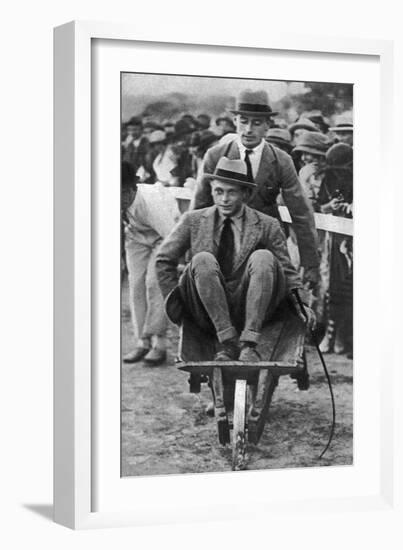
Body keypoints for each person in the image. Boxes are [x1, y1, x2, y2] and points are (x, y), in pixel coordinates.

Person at [156, 157, 314, 363]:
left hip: (252, 306)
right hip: (206, 307)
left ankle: (249, 344)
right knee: (202, 259)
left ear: (246, 194)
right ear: (211, 190)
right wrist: (175, 302)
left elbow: (287, 270)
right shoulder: (193, 221)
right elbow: (163, 260)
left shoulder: (267, 224)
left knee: (263, 257)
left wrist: (302, 305)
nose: (224, 199)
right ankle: (227, 342)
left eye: (232, 192)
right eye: (218, 191)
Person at [192, 89, 320, 288]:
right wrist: (193, 254)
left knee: (265, 308)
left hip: (267, 247)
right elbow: (199, 208)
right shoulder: (215, 155)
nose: (248, 129)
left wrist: (310, 263)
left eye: (256, 123)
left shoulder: (281, 160)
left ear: (268, 125)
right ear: (235, 121)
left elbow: (301, 212)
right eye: (243, 121)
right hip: (224, 246)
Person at [123, 181, 180, 365]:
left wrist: (177, 264)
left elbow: (173, 236)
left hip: (163, 237)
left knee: (153, 283)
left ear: (132, 189)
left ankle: (159, 344)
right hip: (136, 235)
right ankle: (143, 341)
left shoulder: (151, 202)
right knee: (136, 284)